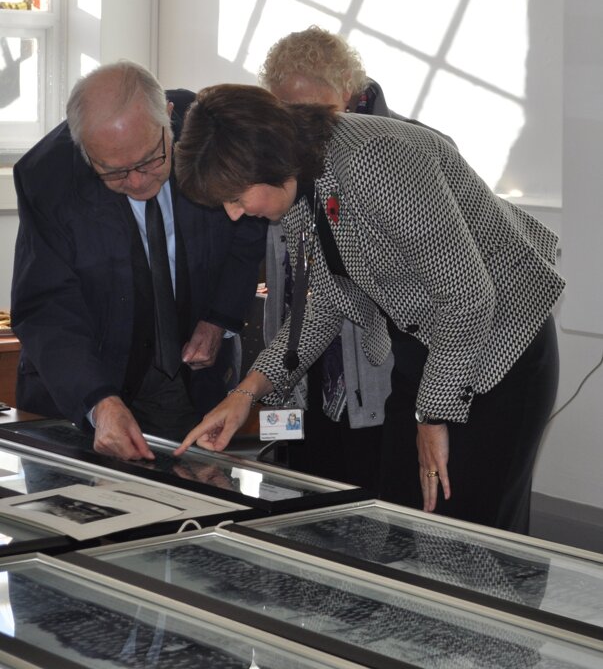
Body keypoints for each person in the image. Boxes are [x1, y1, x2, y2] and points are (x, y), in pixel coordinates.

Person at [174, 83, 565, 534]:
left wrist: (432, 416)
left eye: (236, 197)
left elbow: (467, 297)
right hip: (427, 346)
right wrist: (245, 394)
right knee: (403, 518)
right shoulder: (303, 182)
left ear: (267, 160)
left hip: (501, 346)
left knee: (469, 533)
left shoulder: (373, 159)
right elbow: (324, 303)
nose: (234, 213)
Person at [10, 61, 266, 462]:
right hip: (82, 382)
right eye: (114, 172)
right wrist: (98, 401)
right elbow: (46, 305)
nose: (136, 181)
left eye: (149, 160)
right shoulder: (47, 177)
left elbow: (248, 230)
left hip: (183, 379)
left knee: (190, 495)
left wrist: (219, 318)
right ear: (84, 149)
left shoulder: (211, 133)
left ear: (168, 117)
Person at [256, 26, 453, 490]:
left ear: (347, 88)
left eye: (313, 110)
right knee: (302, 492)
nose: (301, 125)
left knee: (372, 492)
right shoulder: (281, 154)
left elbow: (445, 288)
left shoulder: (403, 148)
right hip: (298, 366)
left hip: (377, 371)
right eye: (287, 111)